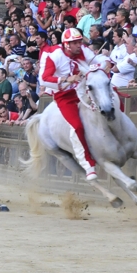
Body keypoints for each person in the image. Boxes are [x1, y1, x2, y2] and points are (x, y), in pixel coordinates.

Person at [40, 27, 98, 180]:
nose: (79, 44)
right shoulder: (53, 56)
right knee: (77, 126)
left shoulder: (83, 51)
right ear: (67, 45)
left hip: (84, 89)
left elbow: (99, 61)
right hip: (65, 96)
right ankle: (88, 163)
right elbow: (44, 79)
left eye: (79, 41)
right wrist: (65, 79)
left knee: (111, 98)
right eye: (75, 42)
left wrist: (105, 64)